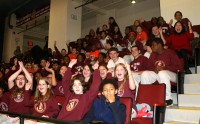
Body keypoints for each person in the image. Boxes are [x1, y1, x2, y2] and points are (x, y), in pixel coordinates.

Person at [140, 38, 183, 106]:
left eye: (153, 45)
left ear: (159, 45)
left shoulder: (170, 52)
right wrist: (154, 69)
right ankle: (146, 98)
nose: (151, 47)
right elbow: (148, 67)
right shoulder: (153, 54)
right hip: (158, 74)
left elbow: (179, 67)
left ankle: (168, 99)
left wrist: (164, 68)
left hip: (172, 75)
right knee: (144, 74)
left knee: (162, 73)